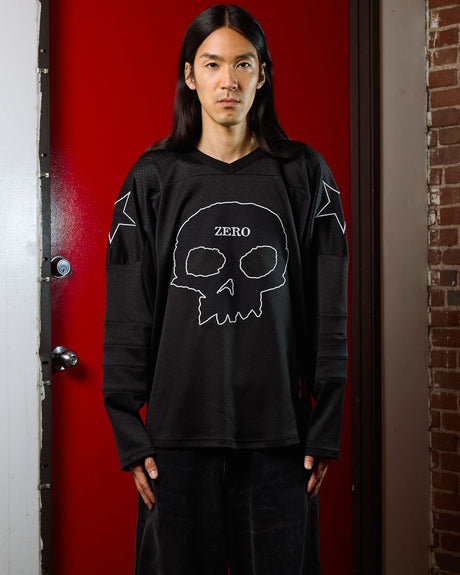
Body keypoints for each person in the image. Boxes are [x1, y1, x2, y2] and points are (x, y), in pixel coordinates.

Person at [103, 4, 348, 574]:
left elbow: (330, 308)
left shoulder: (305, 175)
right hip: (174, 443)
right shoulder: (151, 179)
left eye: (243, 63)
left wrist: (325, 426)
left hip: (282, 440)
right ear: (190, 75)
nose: (228, 80)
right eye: (212, 64)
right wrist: (130, 431)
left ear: (263, 74)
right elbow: (128, 312)